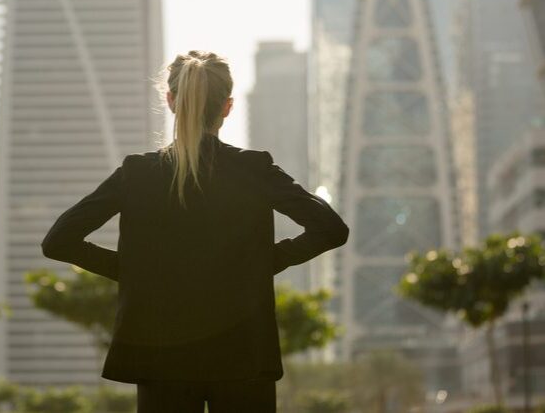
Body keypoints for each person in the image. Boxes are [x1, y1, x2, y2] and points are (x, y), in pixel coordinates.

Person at [42, 50, 349, 412]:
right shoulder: (254, 169)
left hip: (161, 357)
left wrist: (134, 269)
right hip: (244, 353)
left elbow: (58, 241)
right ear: (227, 107)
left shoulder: (138, 173)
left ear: (171, 101)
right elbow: (330, 229)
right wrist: (267, 261)